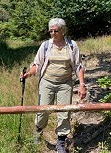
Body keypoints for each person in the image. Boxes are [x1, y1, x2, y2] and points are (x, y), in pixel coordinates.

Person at [20, 18, 86, 153]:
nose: (53, 33)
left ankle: (61, 142)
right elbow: (37, 64)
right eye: (50, 31)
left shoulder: (72, 45)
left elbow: (78, 66)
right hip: (47, 82)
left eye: (55, 31)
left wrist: (82, 84)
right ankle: (38, 130)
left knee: (64, 112)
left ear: (62, 31)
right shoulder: (45, 46)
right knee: (43, 109)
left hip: (65, 83)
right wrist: (28, 74)